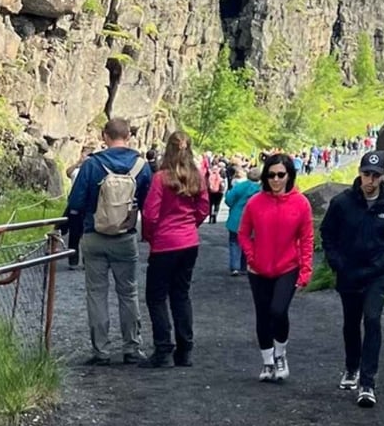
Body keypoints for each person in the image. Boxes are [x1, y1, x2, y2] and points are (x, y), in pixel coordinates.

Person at [320, 150, 384, 408]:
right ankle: (351, 366)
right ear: (359, 173)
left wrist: (380, 265)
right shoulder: (342, 203)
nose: (371, 180)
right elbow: (327, 234)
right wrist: (337, 263)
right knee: (351, 321)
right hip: (348, 271)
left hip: (377, 275)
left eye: (376, 175)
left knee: (372, 320)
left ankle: (367, 382)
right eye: (367, 174)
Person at [65, 118, 153, 366]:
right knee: (128, 293)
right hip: (125, 237)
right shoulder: (141, 167)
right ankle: (131, 348)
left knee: (97, 293)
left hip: (94, 236)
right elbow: (148, 204)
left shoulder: (93, 164)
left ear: (105, 136)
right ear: (129, 136)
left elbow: (76, 203)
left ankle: (101, 351)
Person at [237, 153, 314, 383]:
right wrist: (251, 257)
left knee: (278, 311)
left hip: (288, 266)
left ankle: (281, 354)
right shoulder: (255, 202)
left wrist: (306, 270)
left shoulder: (301, 203)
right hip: (258, 269)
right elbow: (243, 233)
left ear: (289, 175)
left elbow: (307, 238)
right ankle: (267, 362)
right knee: (262, 315)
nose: (276, 180)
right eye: (271, 175)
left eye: (281, 175)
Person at [140, 131, 210, 368]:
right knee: (181, 294)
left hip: (164, 243)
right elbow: (203, 209)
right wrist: (191, 226)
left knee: (156, 296)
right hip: (189, 242)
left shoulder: (161, 178)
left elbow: (150, 214)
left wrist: (151, 236)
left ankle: (163, 349)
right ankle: (185, 350)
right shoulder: (197, 177)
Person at [223, 166, 261, 276]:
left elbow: (229, 199)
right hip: (253, 221)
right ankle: (244, 266)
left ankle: (235, 267)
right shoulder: (261, 190)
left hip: (236, 218)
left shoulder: (240, 186)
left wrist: (233, 206)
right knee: (248, 242)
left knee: (234, 242)